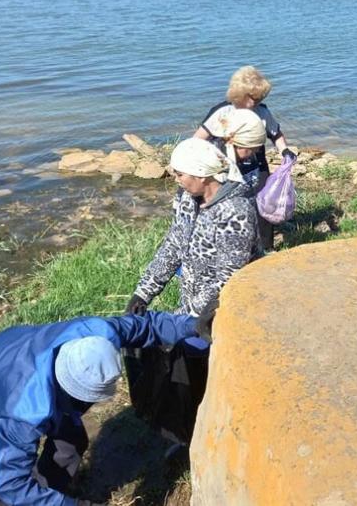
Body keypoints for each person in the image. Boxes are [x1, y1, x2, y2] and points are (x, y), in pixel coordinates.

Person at [0, 310, 205, 506]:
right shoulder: (25, 411)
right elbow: (10, 483)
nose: (86, 407)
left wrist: (191, 325)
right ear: (63, 388)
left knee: (70, 444)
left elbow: (146, 326)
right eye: (81, 400)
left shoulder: (99, 335)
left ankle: (47, 492)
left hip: (17, 348)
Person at [124, 137, 259, 446]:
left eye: (180, 174)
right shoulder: (187, 198)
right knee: (185, 368)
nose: (175, 178)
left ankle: (207, 433)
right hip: (192, 302)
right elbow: (172, 245)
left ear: (202, 175)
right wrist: (144, 292)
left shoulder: (235, 211)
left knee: (204, 369)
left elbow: (231, 273)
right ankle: (187, 433)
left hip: (220, 309)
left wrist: (192, 315)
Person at [195, 66, 296, 251]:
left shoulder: (263, 112)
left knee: (263, 206)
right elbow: (198, 140)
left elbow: (276, 134)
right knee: (228, 206)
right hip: (226, 168)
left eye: (261, 98)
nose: (258, 102)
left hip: (257, 167)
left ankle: (266, 248)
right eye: (254, 98)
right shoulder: (221, 112)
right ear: (239, 94)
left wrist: (285, 151)